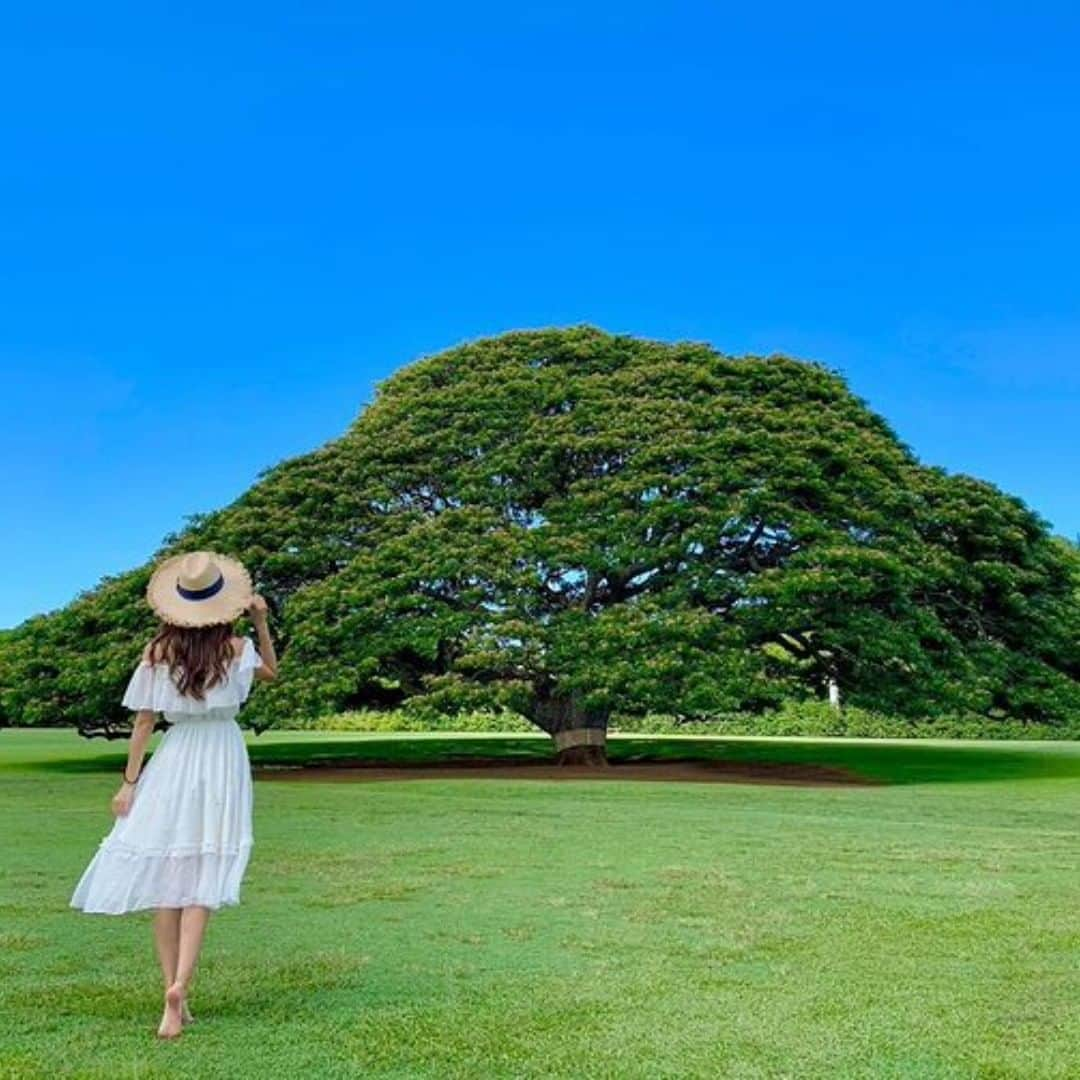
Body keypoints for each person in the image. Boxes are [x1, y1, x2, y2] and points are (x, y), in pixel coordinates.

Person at [69, 550, 278, 1039]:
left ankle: (171, 990)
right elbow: (271, 672)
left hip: (177, 753)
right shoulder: (236, 648)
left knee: (167, 873)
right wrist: (262, 622)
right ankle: (180, 985)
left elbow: (143, 722)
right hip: (222, 753)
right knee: (202, 872)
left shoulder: (158, 653)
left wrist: (129, 781)